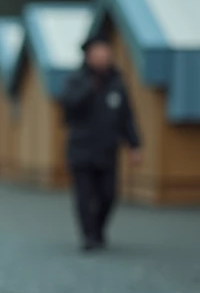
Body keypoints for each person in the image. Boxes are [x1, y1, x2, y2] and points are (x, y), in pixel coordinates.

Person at [60, 32, 142, 252]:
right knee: (84, 196)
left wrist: (134, 145)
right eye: (96, 52)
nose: (102, 56)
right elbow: (68, 109)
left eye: (105, 52)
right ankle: (88, 236)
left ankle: (98, 229)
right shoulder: (77, 80)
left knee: (108, 194)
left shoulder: (116, 82)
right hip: (81, 149)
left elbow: (126, 116)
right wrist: (90, 87)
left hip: (107, 149)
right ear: (88, 56)